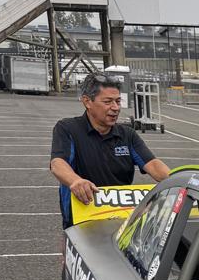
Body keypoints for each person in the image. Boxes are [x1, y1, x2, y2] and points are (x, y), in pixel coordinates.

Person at [49, 74, 171, 226]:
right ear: (87, 101)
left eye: (118, 101)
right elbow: (58, 163)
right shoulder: (68, 129)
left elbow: (152, 164)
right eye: (108, 102)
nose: (115, 108)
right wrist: (76, 181)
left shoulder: (127, 134)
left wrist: (180, 180)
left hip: (121, 217)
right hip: (81, 217)